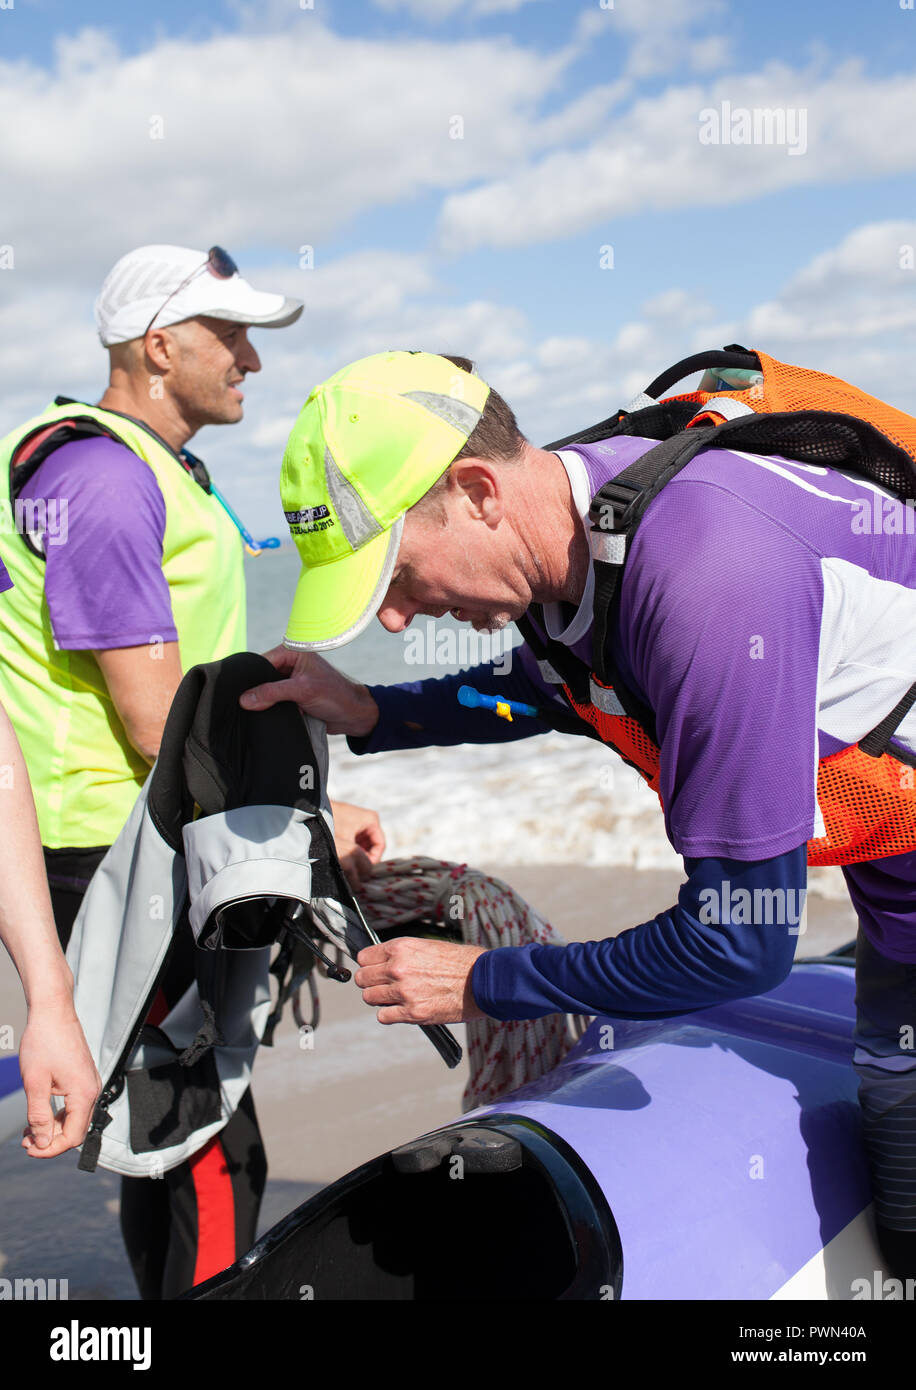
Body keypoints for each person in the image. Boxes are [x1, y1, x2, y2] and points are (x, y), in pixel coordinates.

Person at [240, 348, 916, 1283]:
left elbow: (739, 941)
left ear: (478, 492)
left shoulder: (711, 583)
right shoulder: (579, 522)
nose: (396, 622)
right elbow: (564, 681)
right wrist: (375, 711)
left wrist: (485, 980)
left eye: (394, 574)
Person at [0, 246, 381, 1299]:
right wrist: (306, 819)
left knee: (169, 1119)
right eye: (233, 335)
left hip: (153, 829)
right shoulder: (102, 480)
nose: (253, 359)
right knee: (203, 1131)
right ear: (159, 347)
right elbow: (147, 709)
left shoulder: (142, 465)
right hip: (119, 844)